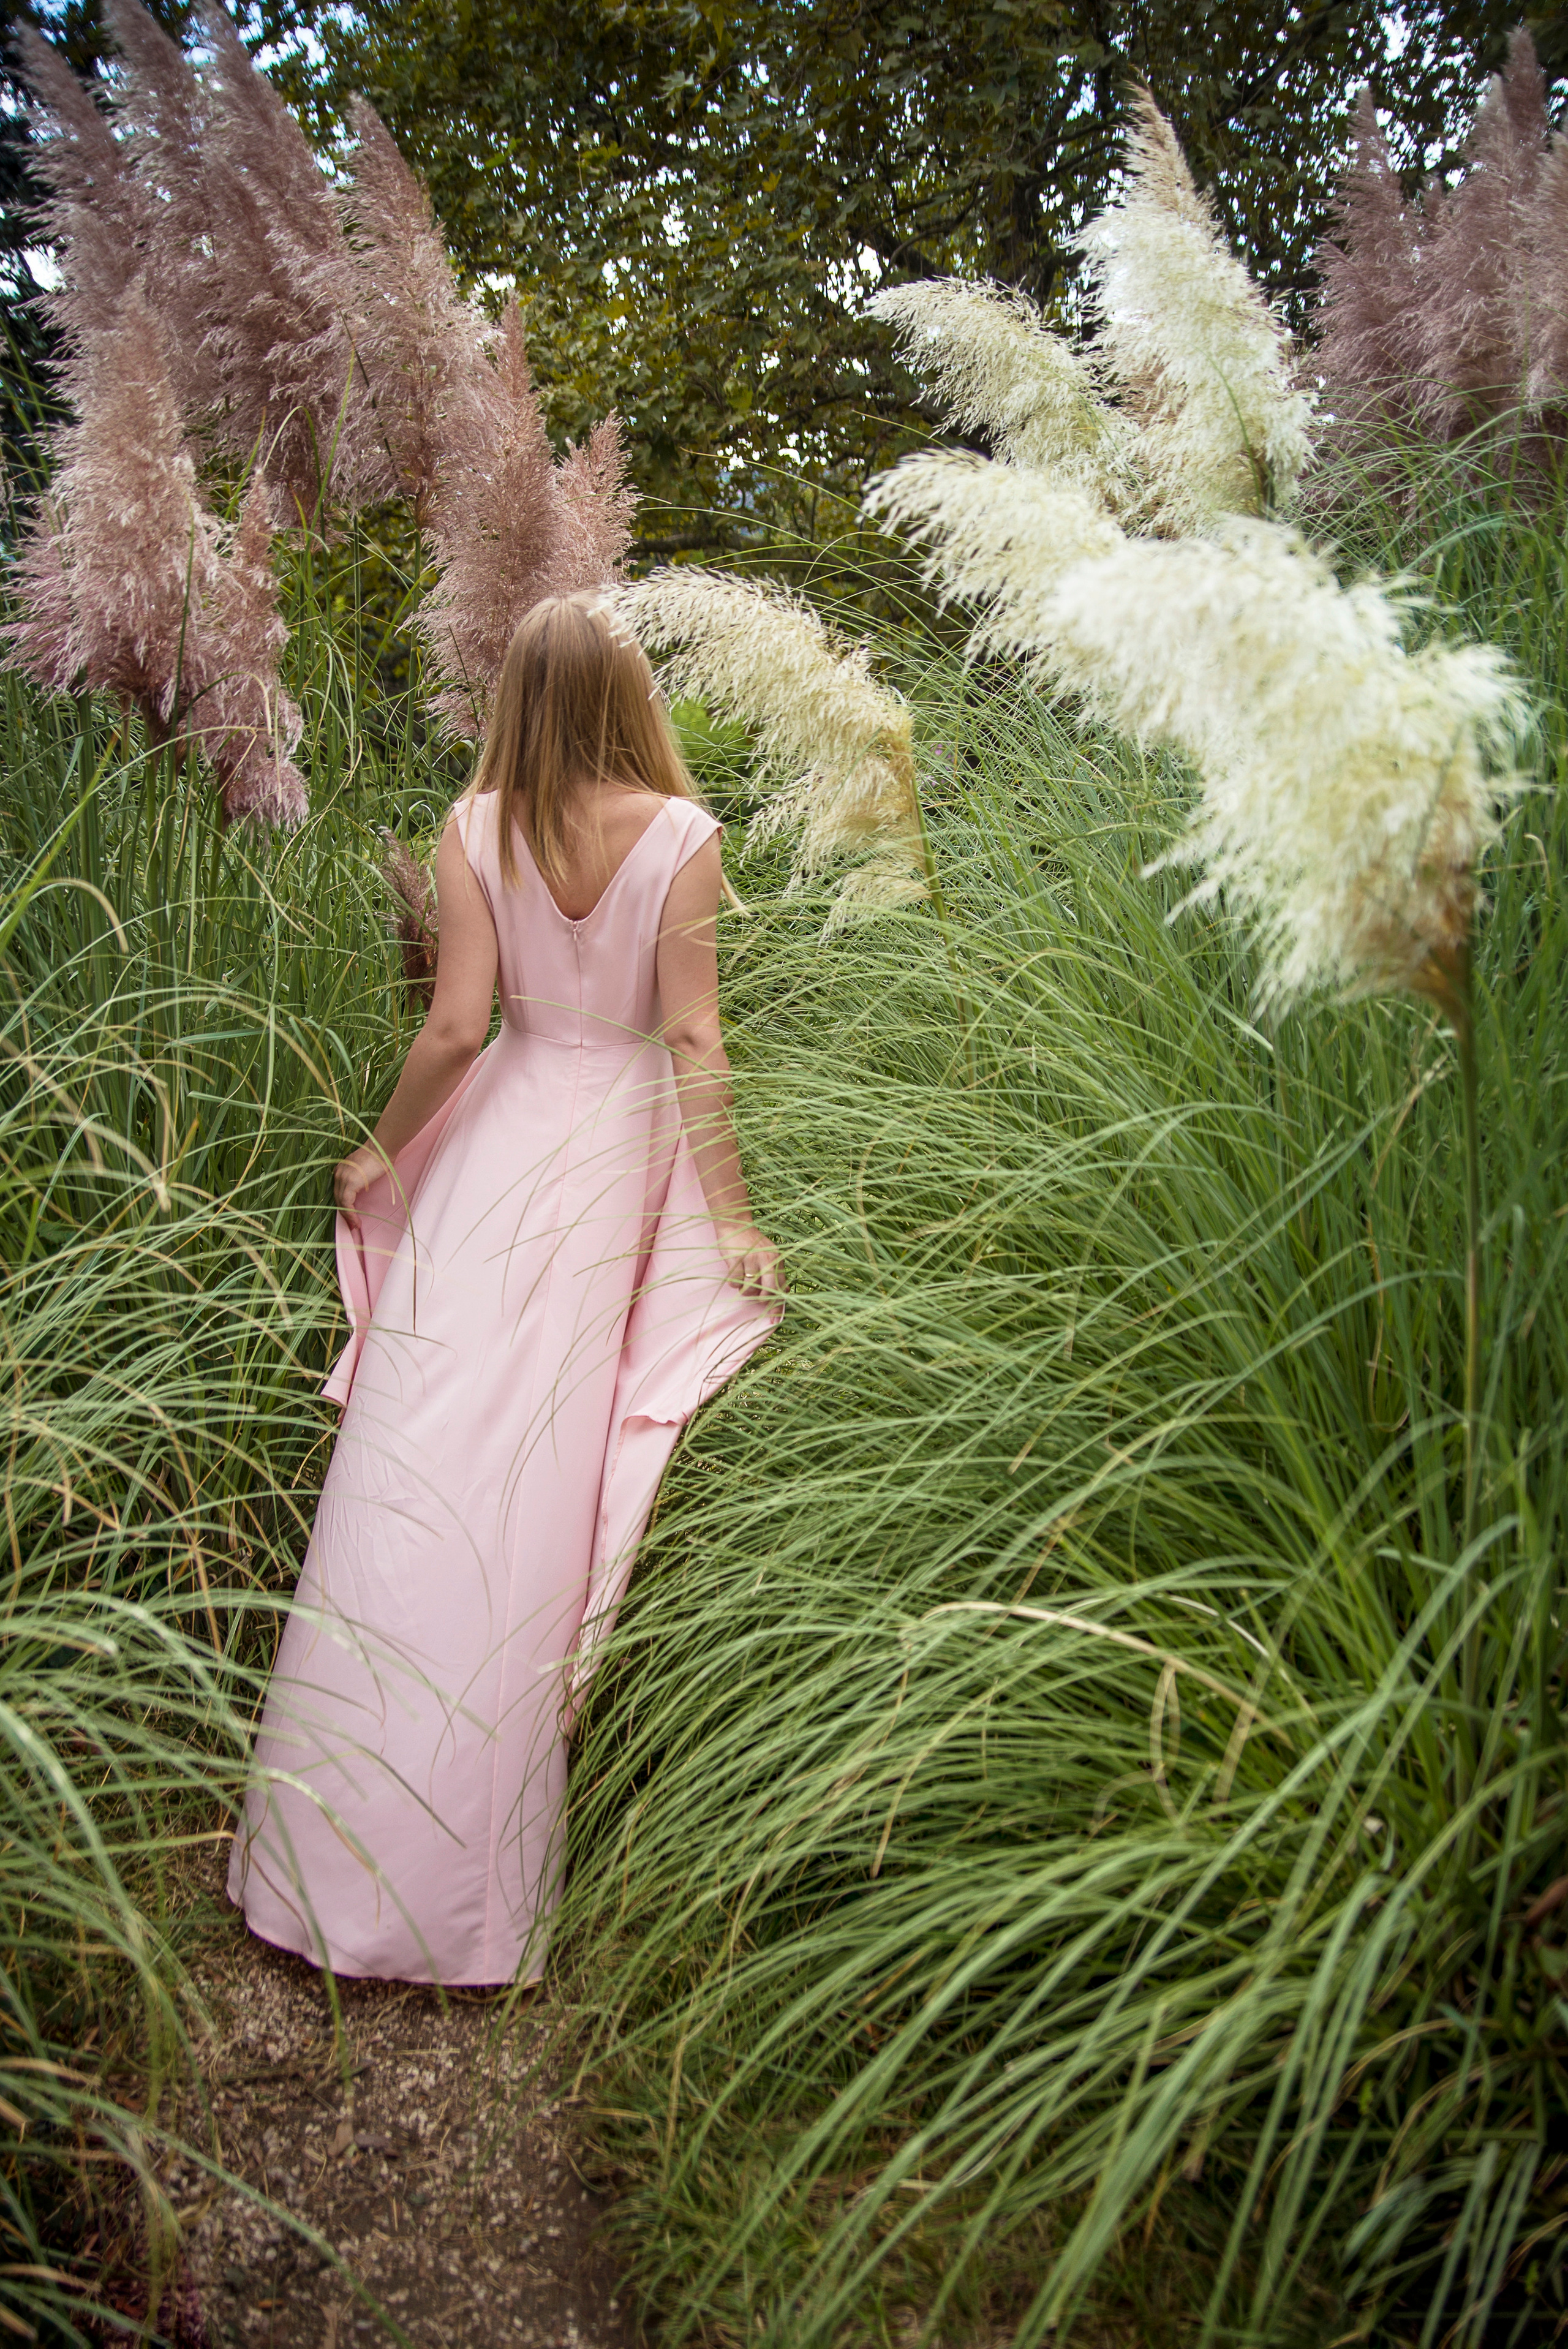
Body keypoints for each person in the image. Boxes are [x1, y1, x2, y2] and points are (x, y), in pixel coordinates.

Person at [227, 593, 782, 1986]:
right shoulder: (683, 837)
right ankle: (479, 1896)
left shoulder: (473, 830)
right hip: (615, 1166)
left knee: (418, 1449)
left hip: (494, 1152)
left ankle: (321, 1862)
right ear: (628, 694)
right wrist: (733, 1220)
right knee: (547, 1472)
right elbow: (695, 1040)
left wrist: (379, 1153)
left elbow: (456, 1030)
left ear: (517, 700)